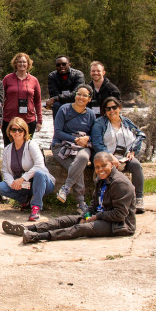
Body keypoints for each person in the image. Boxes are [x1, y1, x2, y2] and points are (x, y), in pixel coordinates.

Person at [2, 152, 136, 243]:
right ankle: (27, 228)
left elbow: (120, 214)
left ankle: (38, 237)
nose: (100, 170)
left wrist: (96, 218)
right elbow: (94, 204)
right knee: (64, 220)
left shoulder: (120, 184)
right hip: (99, 216)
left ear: (112, 164)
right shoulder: (101, 179)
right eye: (97, 167)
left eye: (104, 166)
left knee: (81, 228)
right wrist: (87, 215)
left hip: (118, 225)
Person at [91, 97, 147, 213]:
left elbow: (139, 135)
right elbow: (97, 143)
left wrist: (133, 151)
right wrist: (109, 157)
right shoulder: (100, 123)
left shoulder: (126, 122)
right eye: (108, 109)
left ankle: (138, 199)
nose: (112, 111)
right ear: (105, 111)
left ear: (119, 108)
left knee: (136, 165)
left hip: (125, 157)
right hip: (107, 157)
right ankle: (102, 201)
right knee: (104, 170)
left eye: (114, 107)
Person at [52, 83, 97, 215]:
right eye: (79, 94)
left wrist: (86, 139)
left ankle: (66, 188)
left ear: (89, 99)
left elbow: (94, 135)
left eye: (85, 95)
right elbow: (58, 132)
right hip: (62, 145)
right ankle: (81, 203)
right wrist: (75, 139)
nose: (81, 97)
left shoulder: (91, 115)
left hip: (82, 146)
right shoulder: (64, 109)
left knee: (82, 158)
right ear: (75, 95)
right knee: (77, 166)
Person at [0, 118, 54, 221]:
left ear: (25, 131)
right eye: (14, 130)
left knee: (39, 173)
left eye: (20, 130)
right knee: (0, 187)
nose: (17, 132)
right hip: (23, 185)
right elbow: (5, 171)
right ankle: (26, 201)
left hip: (42, 182)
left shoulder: (31, 145)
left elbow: (39, 165)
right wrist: (13, 183)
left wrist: (22, 179)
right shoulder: (7, 149)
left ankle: (35, 207)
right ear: (9, 132)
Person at [1, 52, 42, 136]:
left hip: (28, 120)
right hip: (9, 119)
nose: (22, 64)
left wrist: (39, 120)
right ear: (15, 63)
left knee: (27, 146)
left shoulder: (34, 80)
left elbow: (38, 101)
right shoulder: (7, 79)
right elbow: (0, 100)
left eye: (24, 62)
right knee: (9, 147)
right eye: (19, 62)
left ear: (28, 64)